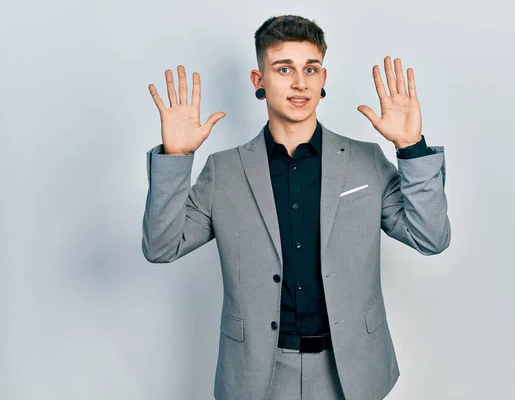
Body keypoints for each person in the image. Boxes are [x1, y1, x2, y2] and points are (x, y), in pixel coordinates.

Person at [142, 14, 450, 400]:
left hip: (352, 373)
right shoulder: (224, 171)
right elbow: (161, 246)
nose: (300, 82)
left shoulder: (365, 161)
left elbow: (431, 237)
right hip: (258, 375)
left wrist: (412, 148)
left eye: (311, 68)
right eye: (284, 68)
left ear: (323, 79)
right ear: (260, 81)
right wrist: (175, 157)